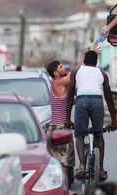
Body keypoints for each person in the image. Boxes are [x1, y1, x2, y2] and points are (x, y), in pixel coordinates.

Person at [66, 50, 117, 182]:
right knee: (99, 134)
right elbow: (109, 98)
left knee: (80, 135)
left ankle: (82, 166)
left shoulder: (76, 71)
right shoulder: (102, 73)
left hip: (82, 99)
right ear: (96, 62)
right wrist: (114, 121)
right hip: (97, 100)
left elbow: (70, 95)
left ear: (84, 61)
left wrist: (67, 119)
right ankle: (100, 169)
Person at [46, 60, 75, 189]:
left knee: (57, 160)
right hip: (60, 128)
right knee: (63, 162)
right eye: (61, 67)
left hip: (52, 127)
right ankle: (64, 190)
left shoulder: (54, 83)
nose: (64, 69)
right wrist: (89, 57)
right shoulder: (59, 82)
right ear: (55, 72)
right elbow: (74, 74)